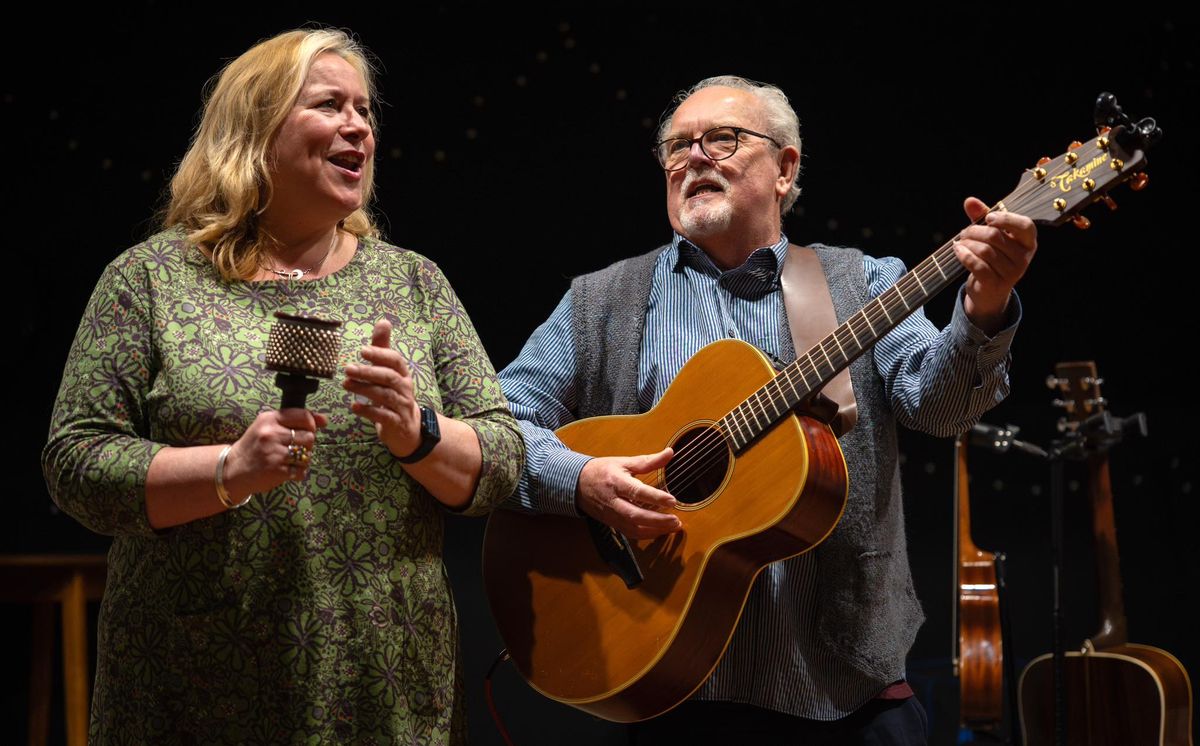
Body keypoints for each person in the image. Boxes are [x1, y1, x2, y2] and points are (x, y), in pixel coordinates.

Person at [497, 75, 1036, 744]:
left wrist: (985, 307)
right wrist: (580, 481)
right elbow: (500, 429)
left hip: (846, 698)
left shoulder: (863, 283)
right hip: (671, 687)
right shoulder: (599, 302)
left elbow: (942, 410)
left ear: (786, 168)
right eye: (676, 146)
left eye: (721, 139)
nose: (694, 156)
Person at [42, 28, 523, 744]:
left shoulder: (414, 283)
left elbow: (502, 462)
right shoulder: (150, 281)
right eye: (330, 105)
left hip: (379, 677)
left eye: (365, 110)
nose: (357, 125)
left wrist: (416, 431)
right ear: (256, 131)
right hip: (194, 676)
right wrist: (225, 470)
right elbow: (75, 463)